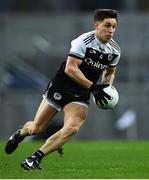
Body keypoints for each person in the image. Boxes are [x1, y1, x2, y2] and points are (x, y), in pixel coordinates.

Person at [5, 9, 121, 171]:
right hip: (61, 86)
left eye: (114, 27)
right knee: (37, 128)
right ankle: (20, 134)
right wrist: (94, 87)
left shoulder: (114, 50)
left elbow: (110, 72)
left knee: (73, 127)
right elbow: (70, 69)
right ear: (96, 25)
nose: (111, 30)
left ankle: (34, 159)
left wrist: (106, 89)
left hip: (81, 93)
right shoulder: (83, 41)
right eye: (107, 25)